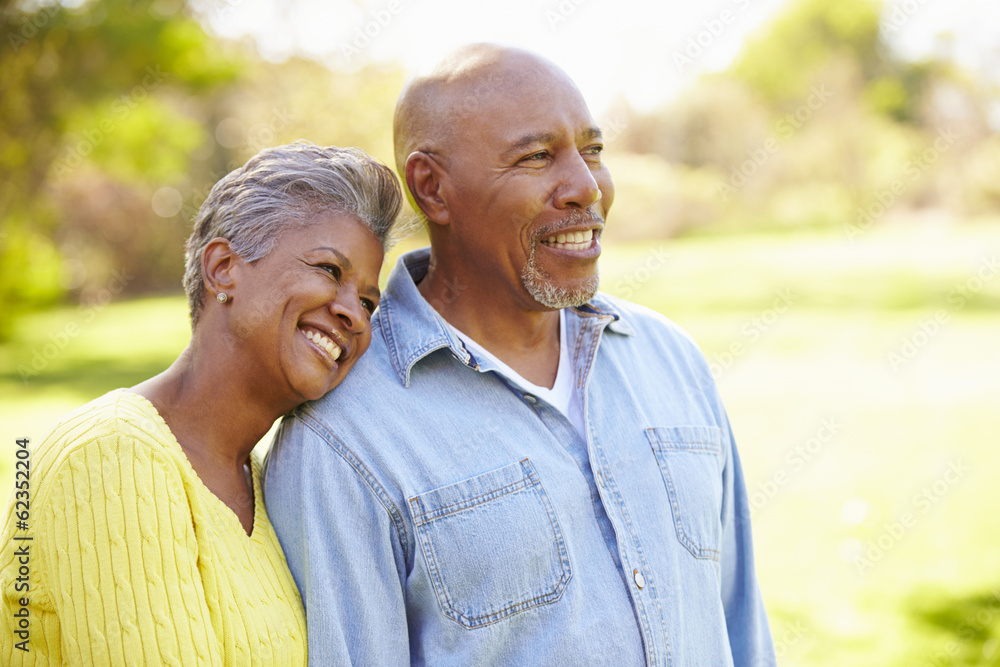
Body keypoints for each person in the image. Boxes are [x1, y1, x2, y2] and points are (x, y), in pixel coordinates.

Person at [264, 45, 776, 666]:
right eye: (537, 157)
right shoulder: (342, 438)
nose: (586, 188)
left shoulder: (671, 360)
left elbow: (741, 628)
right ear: (433, 188)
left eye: (592, 151)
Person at [0, 142, 401, 665]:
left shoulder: (265, 483)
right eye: (329, 270)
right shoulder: (111, 458)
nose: (354, 313)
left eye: (369, 301)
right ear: (223, 269)